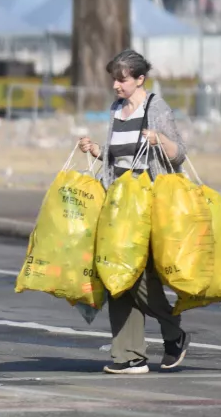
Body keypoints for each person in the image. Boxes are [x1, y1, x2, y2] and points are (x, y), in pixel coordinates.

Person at [78, 49, 190, 375]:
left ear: (140, 79)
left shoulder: (156, 108)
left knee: (136, 276)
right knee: (115, 273)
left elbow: (178, 153)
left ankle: (173, 329)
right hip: (118, 205)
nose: (115, 85)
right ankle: (130, 356)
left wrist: (158, 140)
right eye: (114, 78)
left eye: (122, 79)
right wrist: (96, 150)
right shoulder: (116, 110)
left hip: (149, 206)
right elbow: (118, 158)